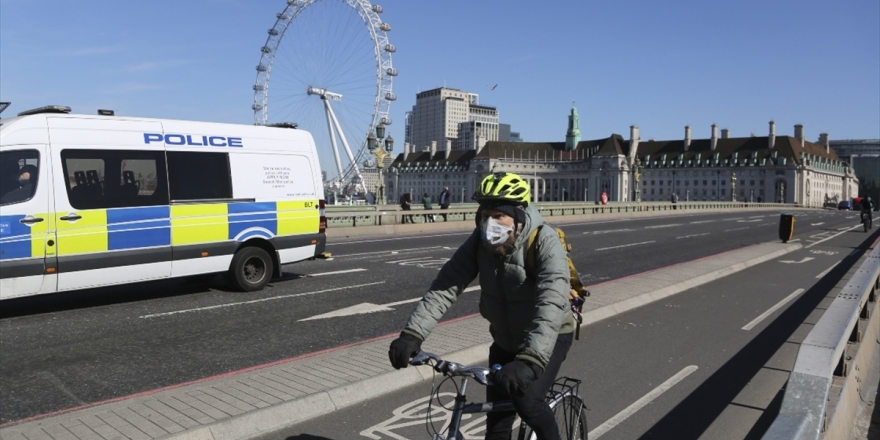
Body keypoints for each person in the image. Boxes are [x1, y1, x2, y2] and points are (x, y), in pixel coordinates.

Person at [388, 172, 574, 440]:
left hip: (550, 336)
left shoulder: (543, 241)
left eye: (498, 216)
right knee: (496, 425)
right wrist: (412, 335)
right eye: (485, 215)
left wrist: (530, 361)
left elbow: (551, 303)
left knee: (527, 403)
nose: (490, 223)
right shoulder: (480, 241)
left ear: (518, 216)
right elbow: (447, 285)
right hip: (505, 338)